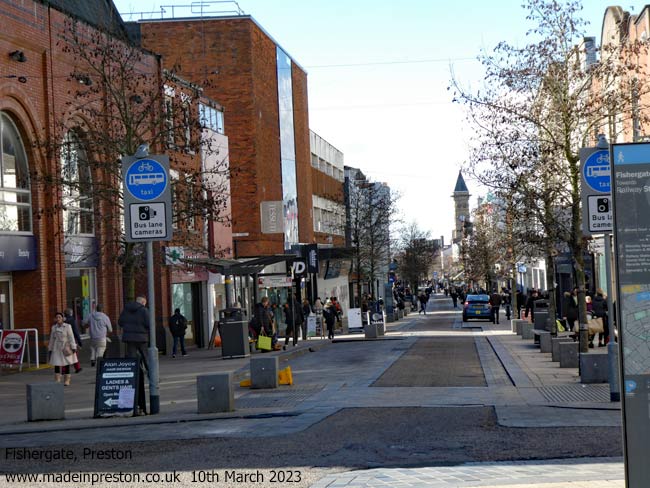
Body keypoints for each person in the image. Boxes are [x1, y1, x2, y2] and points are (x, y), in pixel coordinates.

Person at [118, 295, 150, 371]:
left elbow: (120, 322)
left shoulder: (126, 309)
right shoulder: (144, 310)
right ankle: (150, 372)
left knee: (131, 357)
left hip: (129, 338)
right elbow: (149, 324)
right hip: (141, 338)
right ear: (143, 302)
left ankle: (133, 373)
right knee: (145, 356)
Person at [48, 312, 78, 386]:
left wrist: (73, 347)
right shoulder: (54, 327)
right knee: (56, 363)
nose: (58, 319)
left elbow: (71, 337)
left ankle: (67, 380)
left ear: (62, 318)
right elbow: (52, 338)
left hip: (65, 346)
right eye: (56, 317)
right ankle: (57, 379)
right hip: (56, 347)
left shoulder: (67, 326)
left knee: (66, 363)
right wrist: (50, 348)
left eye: (59, 317)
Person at [64, 308, 83, 373]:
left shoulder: (62, 320)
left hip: (63, 340)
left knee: (64, 354)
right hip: (72, 339)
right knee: (74, 353)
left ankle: (64, 370)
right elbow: (76, 331)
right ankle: (77, 368)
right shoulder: (72, 320)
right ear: (71, 313)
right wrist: (79, 342)